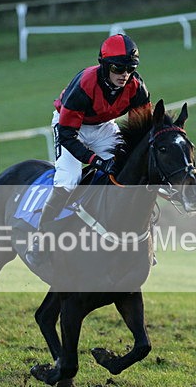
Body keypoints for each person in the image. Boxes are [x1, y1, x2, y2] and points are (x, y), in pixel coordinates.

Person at [26, 33, 151, 266]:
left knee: (130, 172)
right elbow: (67, 135)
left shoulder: (136, 87)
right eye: (118, 68)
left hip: (103, 127)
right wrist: (95, 160)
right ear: (104, 65)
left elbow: (142, 130)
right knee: (69, 179)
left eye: (130, 69)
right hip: (71, 128)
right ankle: (40, 240)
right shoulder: (84, 85)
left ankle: (140, 240)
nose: (124, 75)